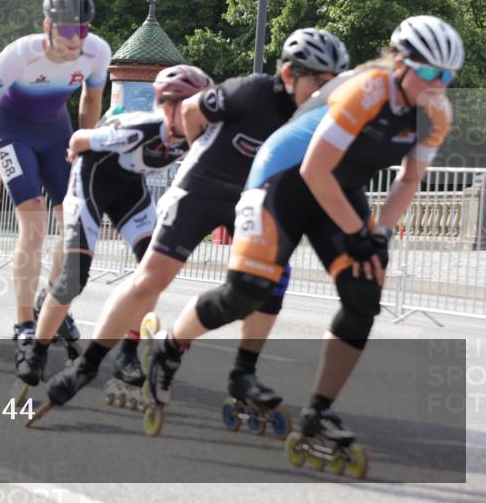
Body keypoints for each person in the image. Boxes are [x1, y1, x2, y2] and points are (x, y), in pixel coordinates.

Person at [146, 16, 460, 469]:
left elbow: (410, 179)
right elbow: (314, 170)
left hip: (338, 187)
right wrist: (356, 233)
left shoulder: (437, 113)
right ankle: (171, 346)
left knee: (363, 295)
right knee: (247, 292)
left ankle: (319, 412)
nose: (438, 85)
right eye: (430, 73)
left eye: (447, 77)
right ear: (400, 63)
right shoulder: (365, 90)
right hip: (283, 179)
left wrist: (380, 235)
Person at [39, 28, 350, 415]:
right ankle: (87, 366)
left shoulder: (322, 115)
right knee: (151, 279)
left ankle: (243, 374)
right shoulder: (251, 92)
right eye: (318, 81)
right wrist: (198, 147)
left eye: (332, 82)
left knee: (269, 284)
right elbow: (188, 111)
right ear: (289, 75)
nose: (326, 89)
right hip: (200, 190)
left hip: (249, 201)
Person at [17, 66, 212, 407]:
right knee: (74, 277)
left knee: (152, 273)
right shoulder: (137, 128)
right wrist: (73, 154)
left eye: (200, 106)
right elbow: (78, 140)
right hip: (90, 181)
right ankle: (37, 350)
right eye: (187, 107)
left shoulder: (198, 135)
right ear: (165, 107)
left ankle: (127, 353)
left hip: (128, 191)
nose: (197, 115)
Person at [0, 0, 111, 363]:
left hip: (56, 135)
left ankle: (51, 296)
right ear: (46, 26)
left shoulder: (97, 52)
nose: (74, 41)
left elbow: (92, 99)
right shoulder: (20, 54)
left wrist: (84, 147)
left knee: (72, 226)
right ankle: (24, 325)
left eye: (81, 31)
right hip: (11, 135)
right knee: (33, 224)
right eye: (65, 31)